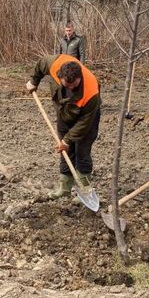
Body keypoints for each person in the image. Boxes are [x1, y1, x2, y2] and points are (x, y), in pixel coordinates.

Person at [26, 54, 101, 199]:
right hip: (64, 112)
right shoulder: (54, 64)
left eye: (75, 85)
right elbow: (41, 63)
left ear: (80, 77)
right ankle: (65, 187)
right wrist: (33, 81)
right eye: (67, 85)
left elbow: (84, 123)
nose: (71, 87)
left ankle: (85, 191)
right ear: (59, 75)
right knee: (65, 150)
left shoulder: (91, 91)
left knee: (82, 152)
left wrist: (68, 140)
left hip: (86, 118)